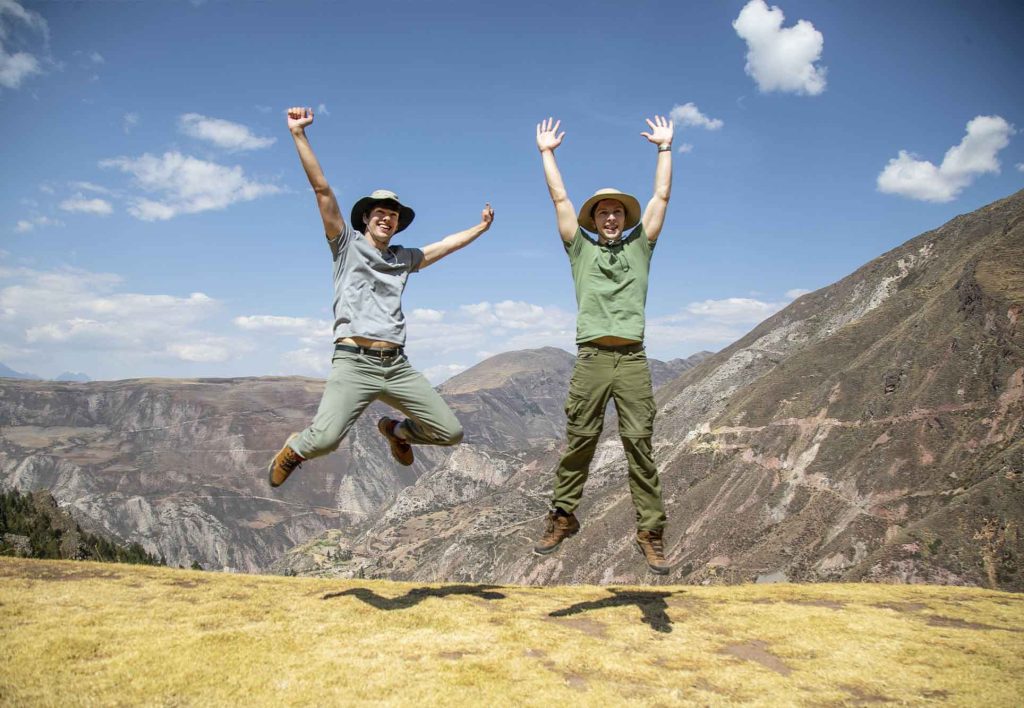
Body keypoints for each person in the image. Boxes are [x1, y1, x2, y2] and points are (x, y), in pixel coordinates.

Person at [268, 106, 493, 488]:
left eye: (393, 215)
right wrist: (298, 135)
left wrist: (481, 228)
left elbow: (444, 247)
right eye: (380, 213)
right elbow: (322, 190)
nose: (387, 218)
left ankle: (396, 432)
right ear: (366, 218)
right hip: (354, 362)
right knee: (323, 440)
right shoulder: (345, 245)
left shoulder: (403, 259)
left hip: (397, 365)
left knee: (450, 432)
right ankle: (296, 447)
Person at [532, 115, 674, 574]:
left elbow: (661, 197)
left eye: (616, 212)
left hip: (631, 357)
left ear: (624, 219)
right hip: (592, 356)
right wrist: (547, 154)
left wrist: (665, 149)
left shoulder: (640, 246)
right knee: (580, 439)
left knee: (639, 443)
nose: (610, 218)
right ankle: (563, 515)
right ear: (592, 221)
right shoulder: (581, 249)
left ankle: (650, 532)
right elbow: (559, 197)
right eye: (602, 212)